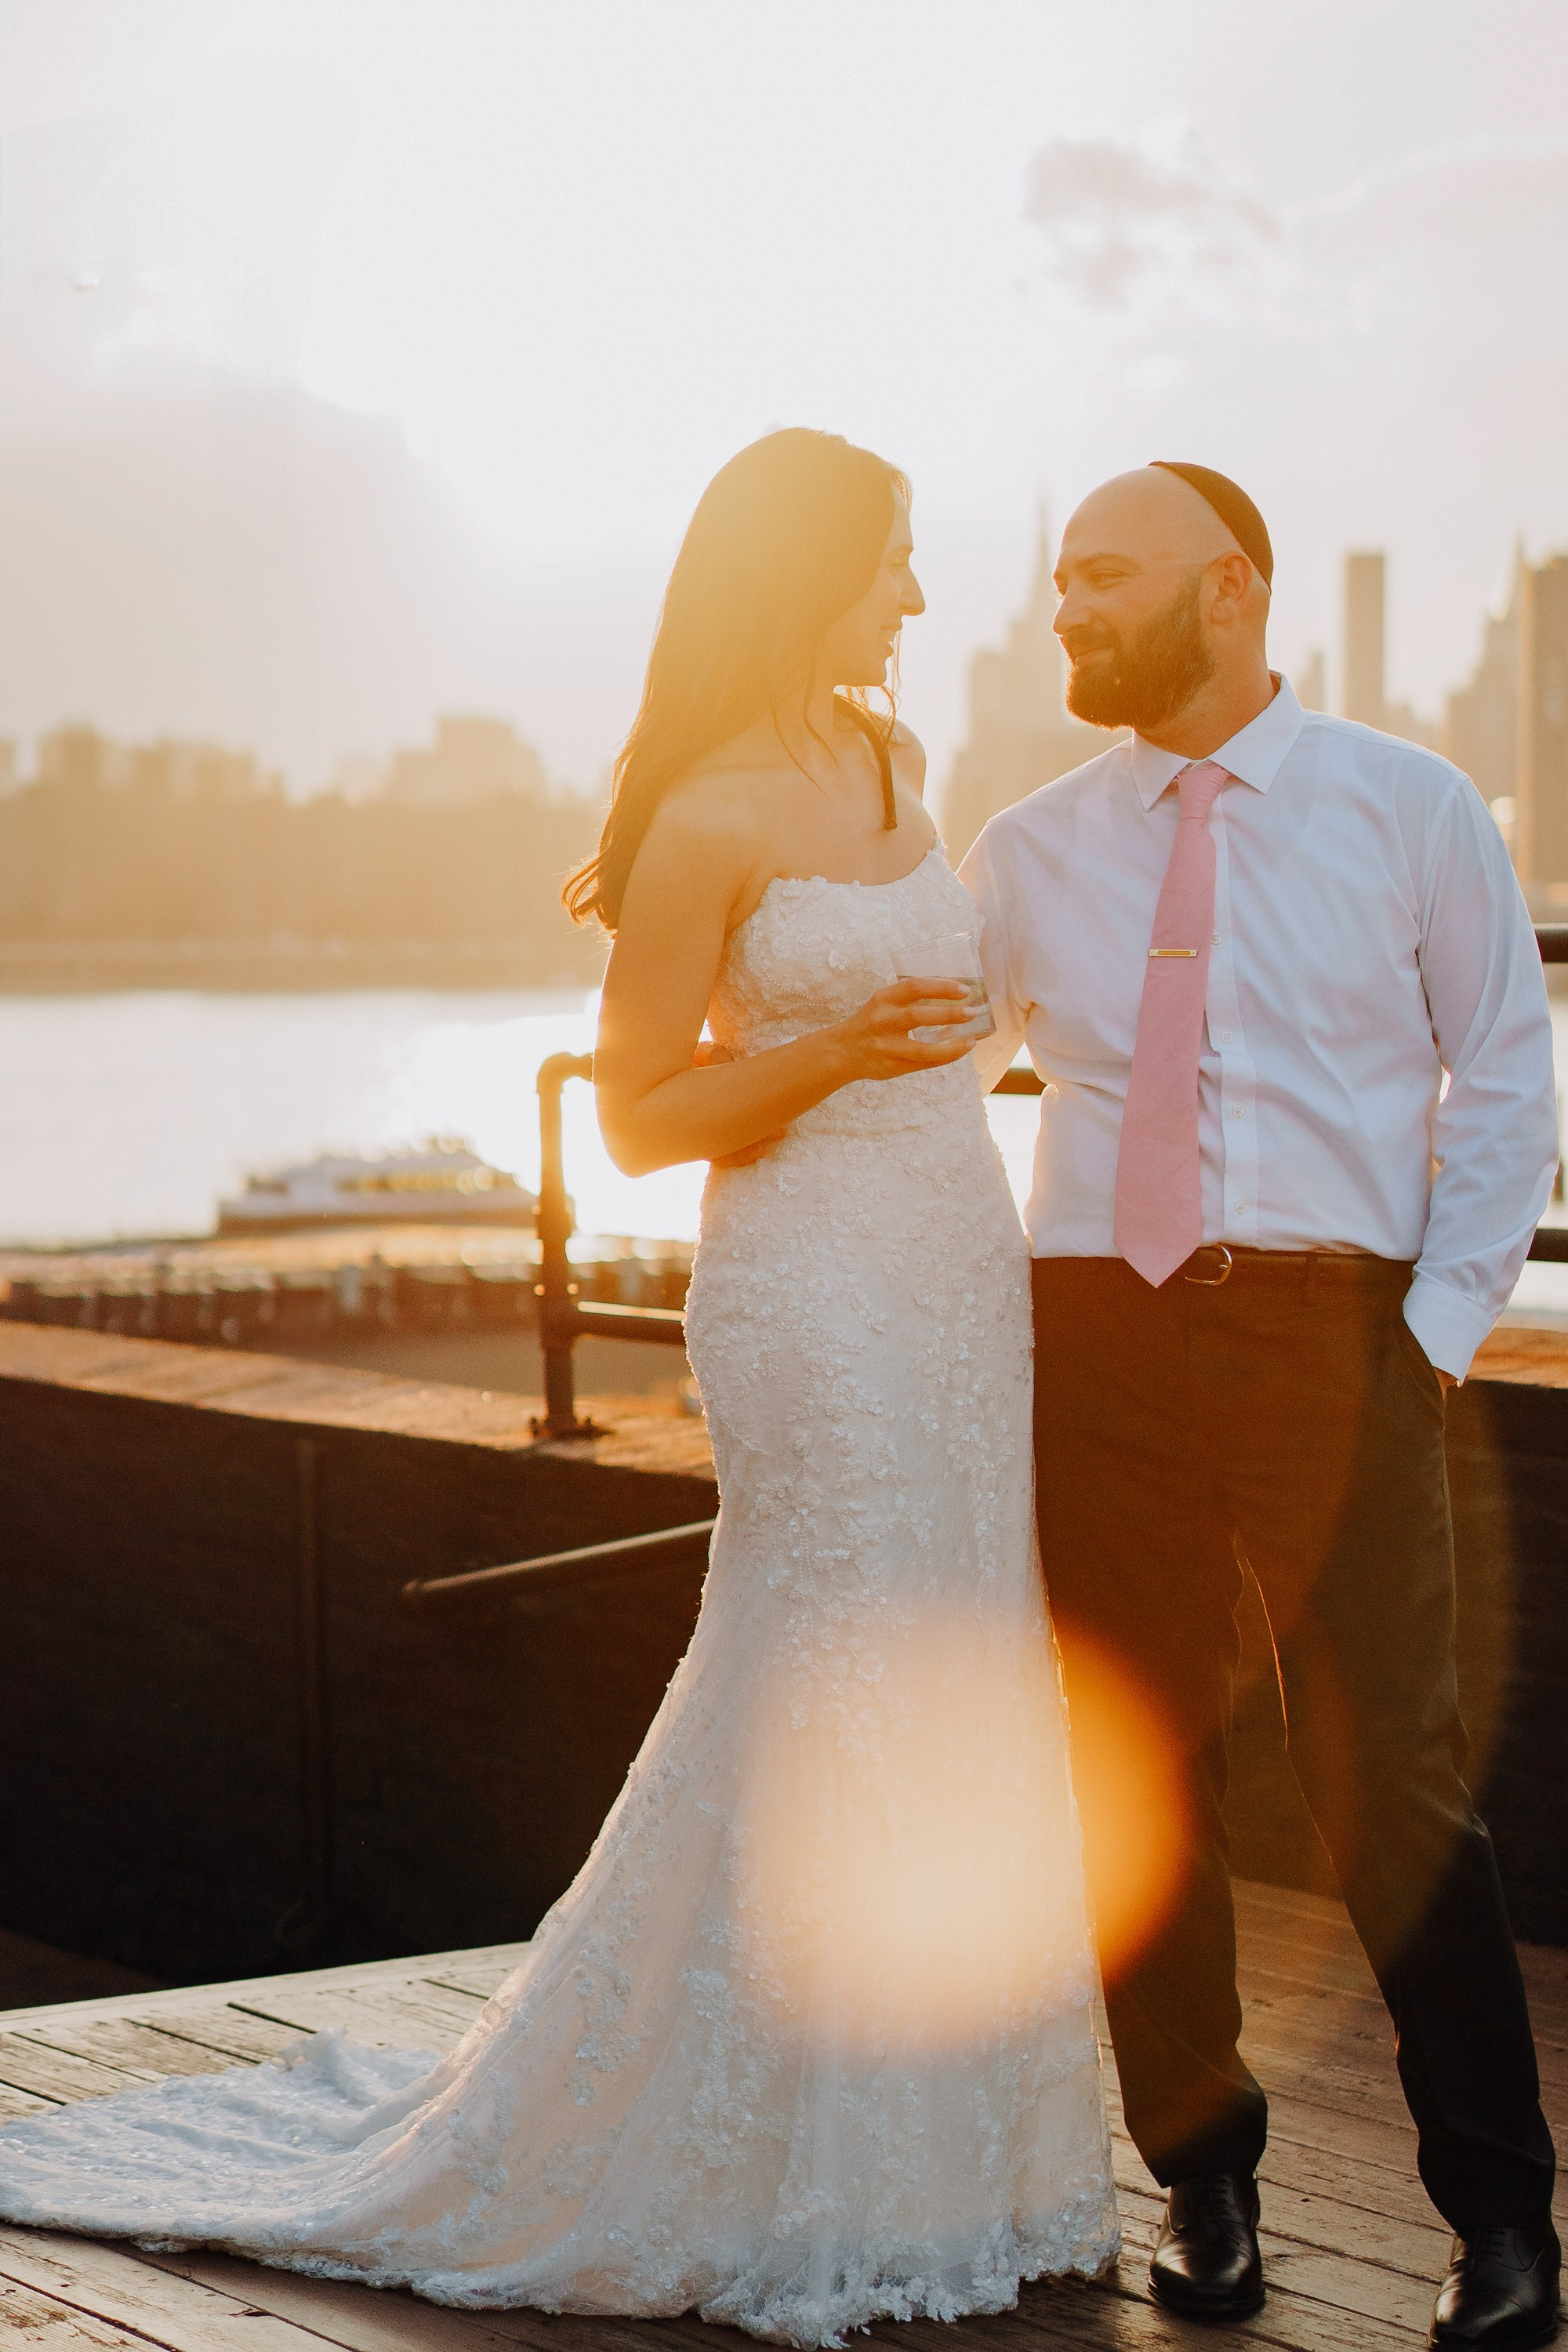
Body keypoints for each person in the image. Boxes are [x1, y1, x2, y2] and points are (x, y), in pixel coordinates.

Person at [0, 430, 1118, 2346]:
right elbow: (634, 1118)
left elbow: (963, 1001)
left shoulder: (895, 763)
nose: (921, 602)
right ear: (803, 571)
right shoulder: (702, 810)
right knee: (831, 1670)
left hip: (954, 1275)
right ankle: (801, 2168)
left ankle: (965, 2157)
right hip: (811, 1293)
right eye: (892, 565)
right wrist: (835, 1053)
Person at [961, 461, 1560, 2349]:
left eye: (1107, 577)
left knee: (1391, 1780)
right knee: (1136, 1775)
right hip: (1098, 1350)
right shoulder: (1027, 850)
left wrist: (1433, 1331)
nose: (1070, 610)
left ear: (1230, 593)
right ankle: (1201, 2179)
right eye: (1058, 578)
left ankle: (1502, 2225)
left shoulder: (1409, 807)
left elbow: (1508, 1070)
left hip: (1341, 1346)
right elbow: (921, 1080)